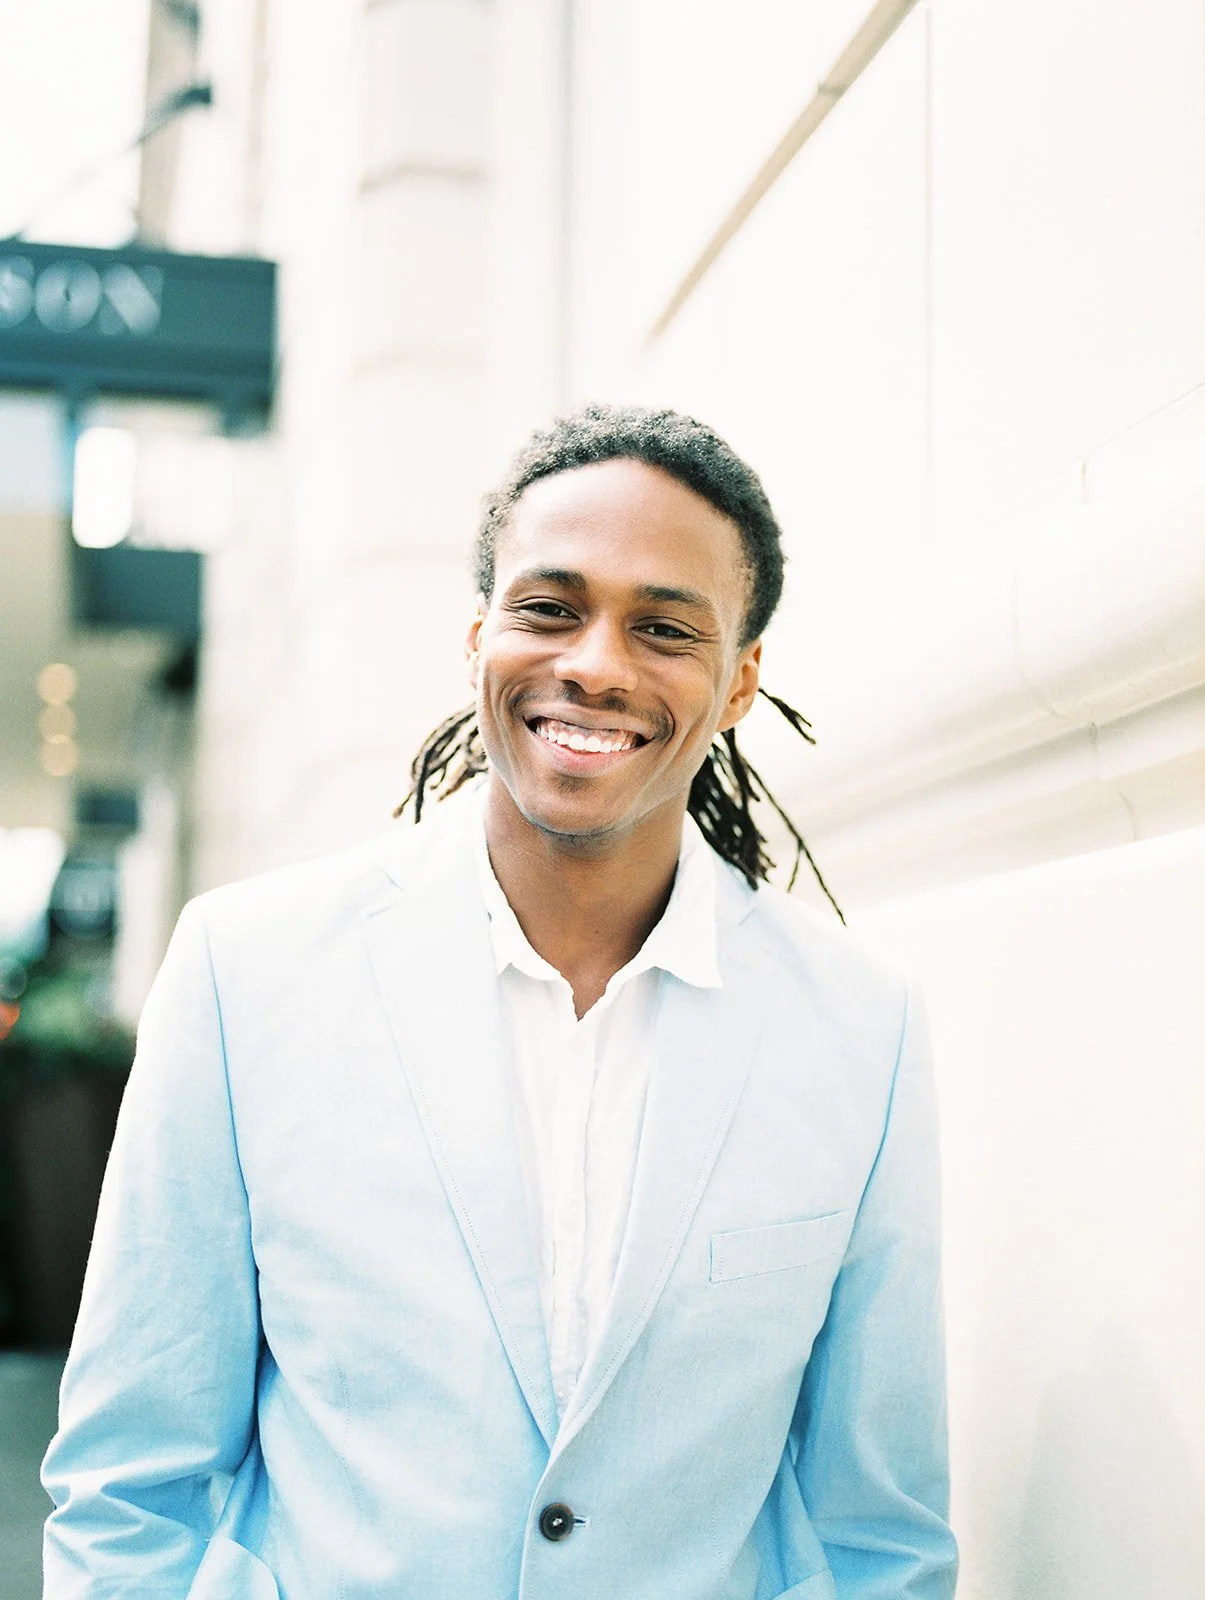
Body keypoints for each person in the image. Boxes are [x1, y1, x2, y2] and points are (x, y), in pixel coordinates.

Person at [42, 404, 957, 1599]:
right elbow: (130, 1483)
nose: (594, 663)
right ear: (478, 634)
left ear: (738, 684)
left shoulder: (860, 1026)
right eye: (549, 607)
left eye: (663, 628)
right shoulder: (242, 970)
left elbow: (878, 1529)